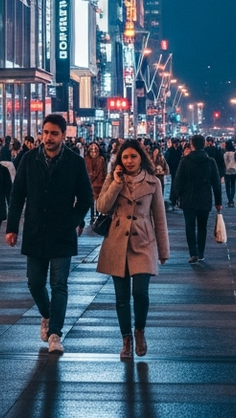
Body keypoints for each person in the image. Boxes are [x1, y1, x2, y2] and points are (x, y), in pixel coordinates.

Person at [5, 114, 93, 354]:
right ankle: (47, 314)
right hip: (35, 229)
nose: (49, 137)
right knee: (34, 283)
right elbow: (17, 195)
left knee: (59, 284)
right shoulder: (29, 159)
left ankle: (55, 333)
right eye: (45, 132)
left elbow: (86, 197)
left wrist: (74, 220)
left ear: (64, 135)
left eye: (54, 133)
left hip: (62, 232)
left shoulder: (75, 162)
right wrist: (12, 227)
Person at [95, 139, 169, 359]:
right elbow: (102, 206)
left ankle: (140, 331)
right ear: (119, 159)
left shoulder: (153, 182)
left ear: (141, 158)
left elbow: (160, 217)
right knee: (121, 297)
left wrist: (163, 251)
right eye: (125, 157)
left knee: (140, 293)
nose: (129, 161)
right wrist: (116, 182)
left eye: (133, 156)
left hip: (143, 242)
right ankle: (126, 339)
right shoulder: (113, 178)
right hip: (117, 241)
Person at [169, 135, 223, 263]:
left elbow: (178, 181)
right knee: (202, 227)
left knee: (190, 225)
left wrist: (174, 198)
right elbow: (216, 183)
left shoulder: (185, 161)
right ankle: (201, 252)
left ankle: (193, 252)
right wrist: (218, 201)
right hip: (205, 198)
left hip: (189, 198)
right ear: (203, 144)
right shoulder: (210, 162)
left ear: (192, 145)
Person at [85, 142, 107, 222]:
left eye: (95, 151)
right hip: (92, 184)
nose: (94, 153)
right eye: (92, 151)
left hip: (98, 183)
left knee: (98, 201)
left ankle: (97, 215)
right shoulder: (86, 160)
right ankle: (93, 216)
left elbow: (104, 172)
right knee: (92, 201)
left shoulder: (101, 159)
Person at [222, 140, 236, 207]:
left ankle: (229, 199)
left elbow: (224, 162)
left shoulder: (225, 153)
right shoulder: (235, 153)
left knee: (227, 186)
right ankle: (232, 199)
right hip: (234, 170)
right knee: (233, 185)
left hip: (227, 170)